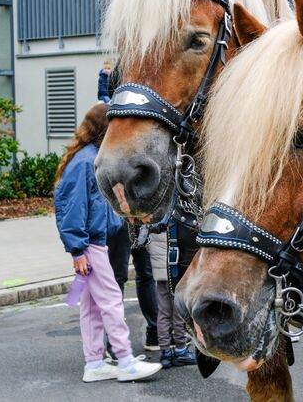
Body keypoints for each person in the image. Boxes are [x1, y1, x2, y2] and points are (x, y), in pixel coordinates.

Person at [54, 103, 161, 383]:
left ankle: (94, 363)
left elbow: (78, 207)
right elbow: (72, 209)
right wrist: (78, 248)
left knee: (91, 306)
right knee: (111, 299)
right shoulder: (87, 162)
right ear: (103, 129)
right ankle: (125, 361)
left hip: (90, 242)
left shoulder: (85, 158)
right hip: (91, 243)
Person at [146, 231, 197, 367]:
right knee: (178, 312)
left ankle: (165, 352)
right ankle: (181, 350)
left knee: (163, 312)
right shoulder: (172, 216)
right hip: (175, 268)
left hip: (159, 271)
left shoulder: (153, 220)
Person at [107, 224, 161, 352]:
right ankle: (114, 343)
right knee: (117, 278)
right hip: (118, 221)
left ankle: (155, 333)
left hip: (139, 220)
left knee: (147, 273)